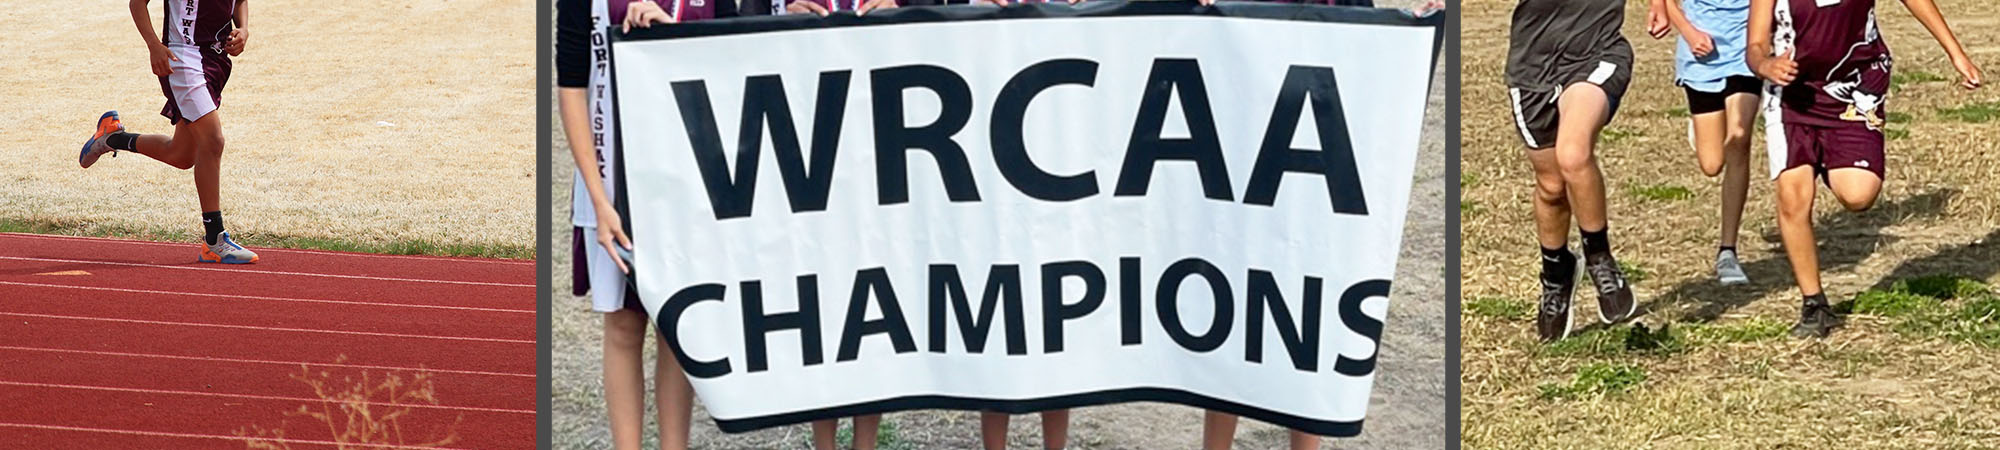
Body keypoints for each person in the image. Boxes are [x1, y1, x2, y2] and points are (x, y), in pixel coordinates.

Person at [1746, 0, 1980, 338]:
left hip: (1855, 86)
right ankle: (1815, 305)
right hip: (1791, 96)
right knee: (1792, 197)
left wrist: (1954, 52)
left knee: (1858, 195)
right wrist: (1764, 65)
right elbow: (1754, 46)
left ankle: (1829, 159)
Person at [556, 0, 710, 448]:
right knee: (623, 324)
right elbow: (571, 86)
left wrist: (673, 38)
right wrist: (600, 200)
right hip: (611, 178)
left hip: (686, 179)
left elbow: (731, 59)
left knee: (674, 327)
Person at [79, 0, 258, 264]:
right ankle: (214, 240)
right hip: (182, 58)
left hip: (216, 60)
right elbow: (137, 3)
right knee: (213, 141)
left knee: (182, 155)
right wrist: (154, 45)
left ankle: (111, 137)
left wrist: (244, 29)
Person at [1505, 0, 1640, 342]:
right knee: (1551, 187)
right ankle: (1556, 272)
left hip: (1595, 52)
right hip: (1532, 65)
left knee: (1573, 155)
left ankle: (1600, 258)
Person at [1647, 0, 1756, 285]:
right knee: (1711, 164)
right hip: (1701, 52)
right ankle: (1703, 129)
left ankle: (1727, 251)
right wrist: (1689, 32)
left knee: (1740, 138)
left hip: (1747, 48)